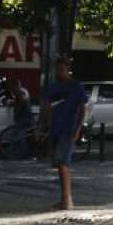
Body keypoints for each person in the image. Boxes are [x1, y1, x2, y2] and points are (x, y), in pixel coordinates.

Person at [43, 57, 87, 210]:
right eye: (57, 69)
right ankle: (65, 198)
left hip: (68, 129)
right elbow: (47, 108)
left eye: (62, 69)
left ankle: (67, 200)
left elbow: (82, 110)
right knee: (59, 164)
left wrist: (78, 130)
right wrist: (44, 126)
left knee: (62, 163)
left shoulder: (76, 87)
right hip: (55, 129)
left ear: (68, 70)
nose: (59, 72)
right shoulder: (53, 87)